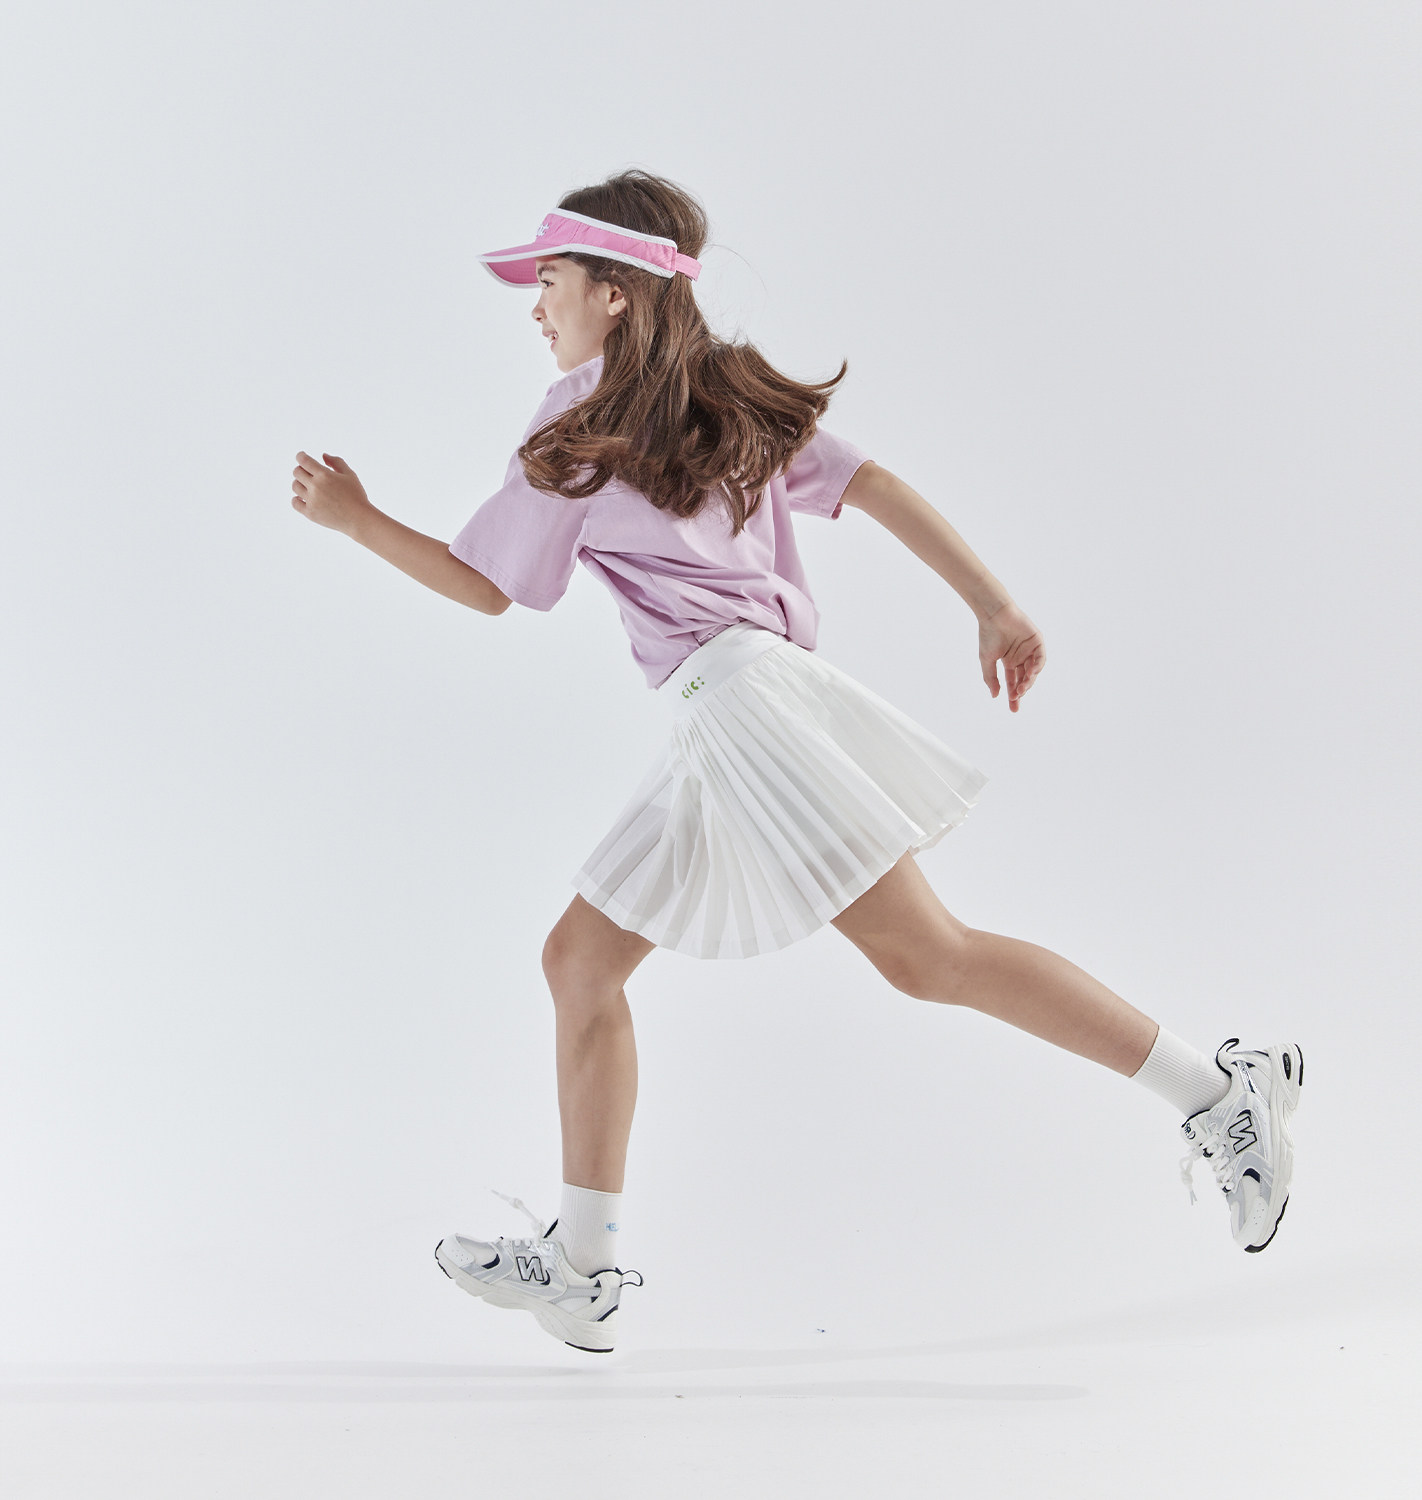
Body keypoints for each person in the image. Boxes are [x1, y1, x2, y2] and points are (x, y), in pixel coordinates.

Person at [290, 168, 1303, 1355]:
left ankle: (1221, 1096)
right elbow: (875, 487)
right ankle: (582, 1266)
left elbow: (484, 588)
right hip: (731, 716)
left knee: (931, 957)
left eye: (549, 279)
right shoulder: (720, 396)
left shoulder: (578, 428)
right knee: (581, 962)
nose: (535, 304)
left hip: (750, 715)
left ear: (614, 293)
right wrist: (991, 603)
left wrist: (357, 522)